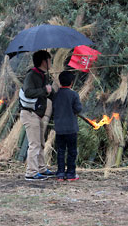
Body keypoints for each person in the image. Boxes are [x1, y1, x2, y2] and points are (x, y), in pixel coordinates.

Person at [20, 50, 55, 181]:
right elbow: (28, 92)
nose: (51, 63)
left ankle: (41, 168)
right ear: (43, 61)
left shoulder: (42, 75)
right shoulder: (32, 75)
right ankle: (31, 172)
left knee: (40, 143)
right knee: (34, 144)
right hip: (30, 114)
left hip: (38, 114)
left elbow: (48, 93)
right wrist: (44, 90)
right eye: (49, 60)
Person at [53, 71, 82, 181]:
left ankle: (60, 173)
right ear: (71, 82)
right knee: (72, 151)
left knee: (60, 151)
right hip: (71, 128)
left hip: (59, 128)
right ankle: (70, 174)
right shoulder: (74, 94)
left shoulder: (56, 95)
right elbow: (78, 109)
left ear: (60, 82)